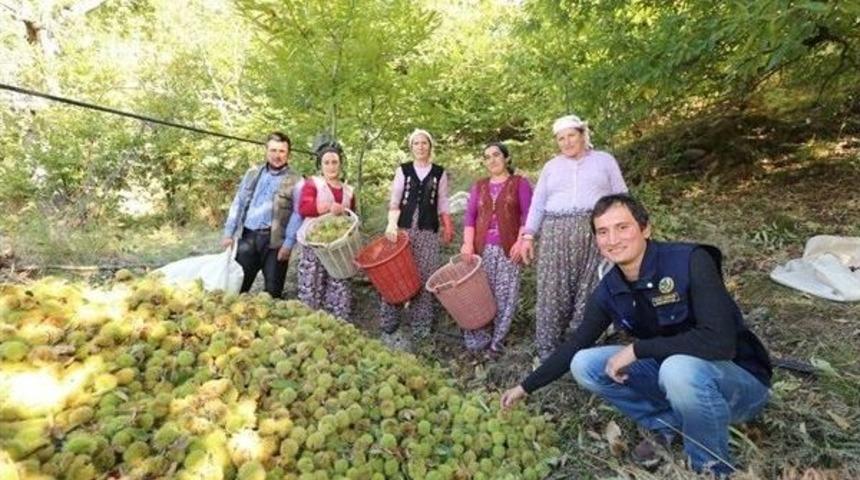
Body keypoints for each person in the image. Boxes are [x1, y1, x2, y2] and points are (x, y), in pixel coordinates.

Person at [501, 194, 772, 477]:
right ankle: (666, 422)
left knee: (677, 368)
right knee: (584, 363)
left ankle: (710, 468)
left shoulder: (690, 261)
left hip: (738, 386)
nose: (613, 239)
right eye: (603, 232)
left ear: (645, 229)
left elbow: (720, 343)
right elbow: (576, 343)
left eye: (622, 227)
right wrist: (524, 387)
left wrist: (637, 350)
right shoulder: (610, 289)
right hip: (676, 380)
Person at [521, 114, 628, 360]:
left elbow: (621, 197)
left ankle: (583, 351)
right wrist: (528, 235)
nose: (567, 142)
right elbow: (538, 203)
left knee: (591, 288)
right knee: (553, 289)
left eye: (571, 135)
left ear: (583, 135)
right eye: (561, 138)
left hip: (595, 233)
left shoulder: (604, 161)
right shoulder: (551, 167)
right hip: (555, 236)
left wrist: (623, 230)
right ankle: (549, 352)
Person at [380, 128, 454, 348]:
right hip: (404, 229)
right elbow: (395, 201)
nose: (420, 147)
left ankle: (421, 326)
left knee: (424, 274)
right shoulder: (403, 170)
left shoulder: (439, 173)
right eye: (416, 143)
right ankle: (389, 322)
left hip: (428, 229)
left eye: (424, 143)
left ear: (430, 147)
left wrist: (448, 226)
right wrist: (391, 224)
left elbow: (443, 202)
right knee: (396, 274)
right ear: (411, 147)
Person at [459, 142, 533, 355]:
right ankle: (479, 339)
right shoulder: (479, 186)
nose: (492, 160)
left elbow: (527, 215)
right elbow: (470, 217)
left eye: (496, 155)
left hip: (509, 249)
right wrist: (467, 244)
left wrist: (521, 241)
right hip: (481, 250)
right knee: (480, 296)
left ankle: (496, 343)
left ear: (506, 158)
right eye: (487, 157)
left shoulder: (519, 183)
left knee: (505, 297)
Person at [221, 131, 303, 298]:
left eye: (282, 151)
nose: (277, 155)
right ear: (266, 151)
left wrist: (288, 244)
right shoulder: (252, 173)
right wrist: (229, 233)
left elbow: (298, 213)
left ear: (288, 154)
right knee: (237, 287)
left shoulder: (297, 180)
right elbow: (239, 202)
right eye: (273, 150)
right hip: (248, 238)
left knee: (273, 293)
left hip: (275, 243)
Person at [296, 140, 356, 320]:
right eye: (326, 162)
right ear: (320, 165)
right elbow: (303, 208)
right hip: (314, 244)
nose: (331, 166)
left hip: (338, 248)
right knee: (312, 284)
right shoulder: (313, 183)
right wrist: (327, 207)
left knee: (339, 284)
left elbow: (352, 217)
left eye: (334, 162)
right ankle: (309, 321)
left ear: (340, 164)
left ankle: (336, 322)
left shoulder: (349, 190)